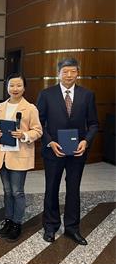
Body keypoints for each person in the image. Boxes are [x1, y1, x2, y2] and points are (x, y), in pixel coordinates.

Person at [36, 57, 99, 245]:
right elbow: (39, 123)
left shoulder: (87, 95)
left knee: (73, 190)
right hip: (53, 151)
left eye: (73, 71)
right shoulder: (46, 94)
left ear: (78, 73)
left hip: (77, 152)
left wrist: (86, 142)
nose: (69, 75)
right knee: (51, 188)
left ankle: (72, 228)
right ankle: (50, 226)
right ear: (58, 74)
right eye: (65, 71)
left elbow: (93, 124)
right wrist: (50, 142)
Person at [0, 74, 42, 241]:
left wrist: (24, 135)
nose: (15, 89)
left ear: (24, 87)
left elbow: (38, 131)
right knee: (7, 192)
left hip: (19, 155)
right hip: (3, 154)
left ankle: (17, 223)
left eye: (19, 85)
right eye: (12, 85)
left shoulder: (30, 108)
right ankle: (8, 220)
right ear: (7, 87)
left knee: (17, 191)